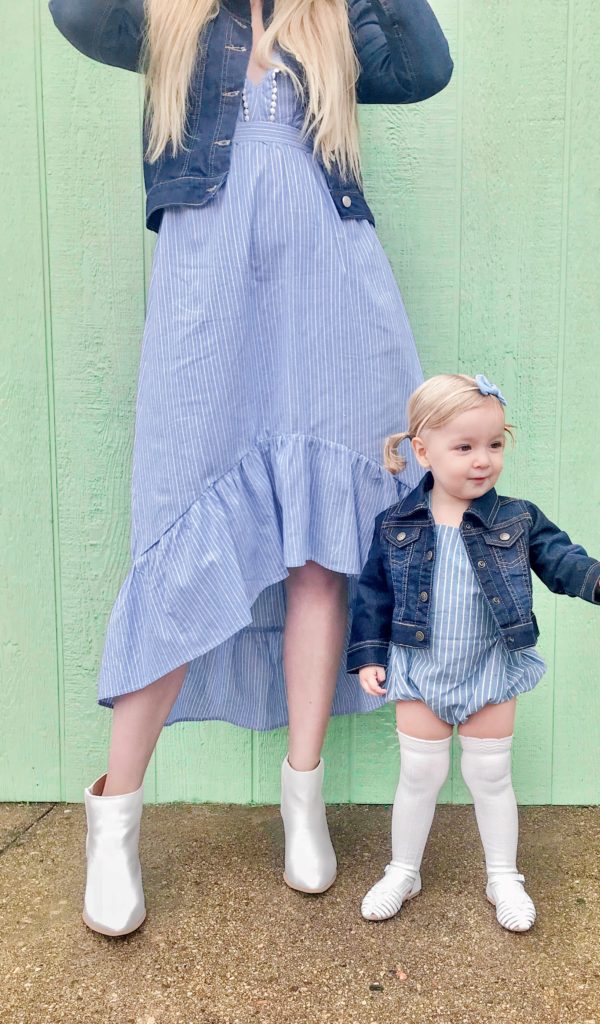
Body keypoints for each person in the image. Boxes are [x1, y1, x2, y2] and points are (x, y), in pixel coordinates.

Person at [48, 0, 453, 936]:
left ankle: (301, 800)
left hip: (331, 286)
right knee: (182, 536)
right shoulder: (174, 21)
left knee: (320, 550)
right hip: (211, 284)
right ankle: (114, 822)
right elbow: (74, 13)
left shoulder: (334, 23)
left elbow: (425, 67)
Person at [347, 373, 600, 931]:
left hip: (490, 665)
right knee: (419, 775)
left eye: (494, 444)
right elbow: (373, 592)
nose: (483, 460)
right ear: (423, 450)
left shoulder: (516, 518)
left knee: (491, 774)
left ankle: (503, 876)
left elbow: (560, 558)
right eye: (464, 447)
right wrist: (368, 655)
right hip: (420, 666)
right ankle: (403, 871)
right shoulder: (398, 524)